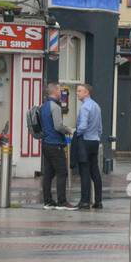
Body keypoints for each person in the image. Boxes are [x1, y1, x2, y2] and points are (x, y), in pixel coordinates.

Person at [38, 82, 75, 210]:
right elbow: (58, 126)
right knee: (62, 173)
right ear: (54, 92)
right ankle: (62, 202)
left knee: (48, 174)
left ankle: (48, 201)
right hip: (55, 144)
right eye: (59, 90)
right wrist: (70, 130)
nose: (61, 93)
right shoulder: (55, 107)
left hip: (46, 144)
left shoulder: (44, 106)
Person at [73, 83, 104, 210]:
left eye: (80, 91)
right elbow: (100, 128)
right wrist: (96, 137)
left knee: (84, 171)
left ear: (87, 93)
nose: (77, 93)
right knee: (95, 172)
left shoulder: (85, 107)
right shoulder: (96, 106)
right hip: (94, 141)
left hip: (85, 141)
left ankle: (85, 201)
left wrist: (76, 132)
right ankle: (98, 201)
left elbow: (83, 126)